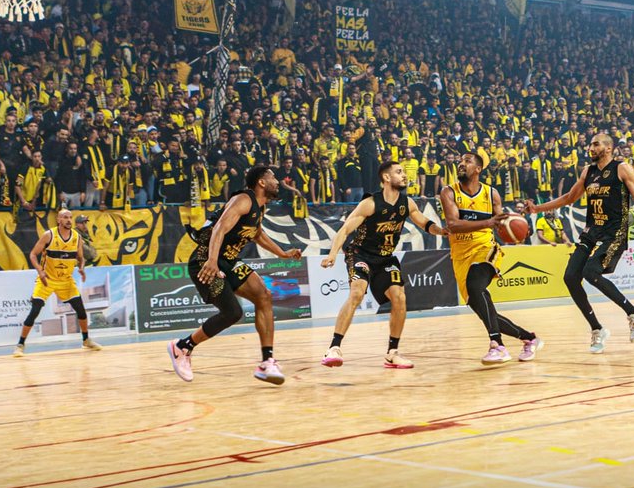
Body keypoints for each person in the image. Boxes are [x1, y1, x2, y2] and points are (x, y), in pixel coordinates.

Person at [166, 166, 301, 383]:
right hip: (205, 260)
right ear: (262, 183)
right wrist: (211, 261)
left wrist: (282, 254)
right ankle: (182, 347)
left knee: (264, 296)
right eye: (273, 177)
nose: (278, 181)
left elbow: (256, 233)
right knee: (232, 313)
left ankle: (267, 362)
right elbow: (219, 228)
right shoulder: (243, 199)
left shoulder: (260, 207)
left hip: (229, 260)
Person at [525, 134, 634, 353]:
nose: (590, 147)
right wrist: (537, 208)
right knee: (570, 277)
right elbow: (568, 198)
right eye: (590, 144)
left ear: (609, 148)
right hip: (591, 232)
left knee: (591, 272)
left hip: (614, 234)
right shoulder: (588, 172)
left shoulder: (622, 168)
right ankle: (597, 329)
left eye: (596, 144)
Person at [320, 161, 448, 369]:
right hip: (361, 254)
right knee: (357, 293)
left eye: (404, 172)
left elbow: (425, 224)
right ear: (386, 178)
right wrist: (333, 254)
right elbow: (344, 230)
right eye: (399, 172)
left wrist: (442, 231)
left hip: (385, 258)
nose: (404, 176)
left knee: (399, 297)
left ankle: (392, 353)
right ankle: (334, 347)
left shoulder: (407, 203)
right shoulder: (370, 203)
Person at [440, 151, 542, 365]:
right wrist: (488, 222)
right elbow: (453, 224)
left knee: (476, 286)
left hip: (485, 248)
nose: (461, 163)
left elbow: (501, 223)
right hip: (460, 254)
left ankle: (497, 345)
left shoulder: (491, 193)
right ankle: (529, 338)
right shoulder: (448, 192)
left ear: (478, 169)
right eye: (461, 160)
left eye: (467, 161)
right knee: (483, 309)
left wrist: (514, 229)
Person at [13, 208, 101, 357]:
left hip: (66, 280)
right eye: (65, 217)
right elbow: (33, 255)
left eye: (70, 217)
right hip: (47, 279)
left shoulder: (77, 237)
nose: (68, 220)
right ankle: (20, 345)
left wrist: (81, 268)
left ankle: (86, 340)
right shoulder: (49, 235)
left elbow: (81, 258)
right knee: (35, 310)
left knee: (81, 310)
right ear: (58, 220)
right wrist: (40, 271)